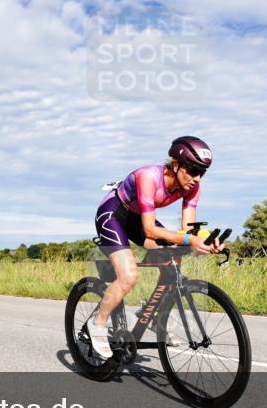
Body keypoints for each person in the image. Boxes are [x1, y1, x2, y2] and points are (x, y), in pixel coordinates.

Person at [90, 136, 224, 359]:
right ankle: (98, 324)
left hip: (138, 219)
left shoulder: (193, 186)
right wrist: (189, 240)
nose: (197, 177)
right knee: (129, 276)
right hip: (113, 214)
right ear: (175, 163)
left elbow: (187, 230)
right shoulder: (148, 177)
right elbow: (150, 230)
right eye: (192, 170)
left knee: (173, 254)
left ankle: (154, 317)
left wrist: (206, 239)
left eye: (202, 172)